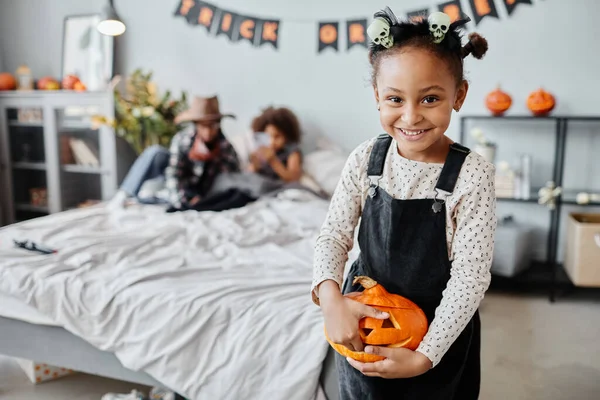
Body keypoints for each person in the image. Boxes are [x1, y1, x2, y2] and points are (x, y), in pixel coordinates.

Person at [311, 8, 496, 400]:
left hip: (437, 337)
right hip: (370, 326)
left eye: (430, 98)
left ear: (458, 95)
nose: (411, 116)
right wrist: (330, 299)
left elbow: (470, 277)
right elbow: (333, 236)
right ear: (378, 96)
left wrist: (425, 356)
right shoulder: (365, 160)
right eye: (395, 99)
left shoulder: (473, 175)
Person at [111, 95, 240, 209]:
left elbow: (230, 179)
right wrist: (183, 201)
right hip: (177, 185)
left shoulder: (225, 147)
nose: (208, 131)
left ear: (218, 124)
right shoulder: (182, 140)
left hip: (202, 190)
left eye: (212, 125)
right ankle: (124, 194)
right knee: (155, 152)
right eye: (203, 125)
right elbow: (174, 173)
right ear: (196, 124)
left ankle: (153, 197)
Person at [247, 106, 303, 183]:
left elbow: (293, 178)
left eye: (277, 136)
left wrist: (273, 161)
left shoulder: (292, 151)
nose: (272, 142)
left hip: (275, 187)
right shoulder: (262, 149)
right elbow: (249, 173)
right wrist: (255, 164)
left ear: (287, 136)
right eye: (268, 136)